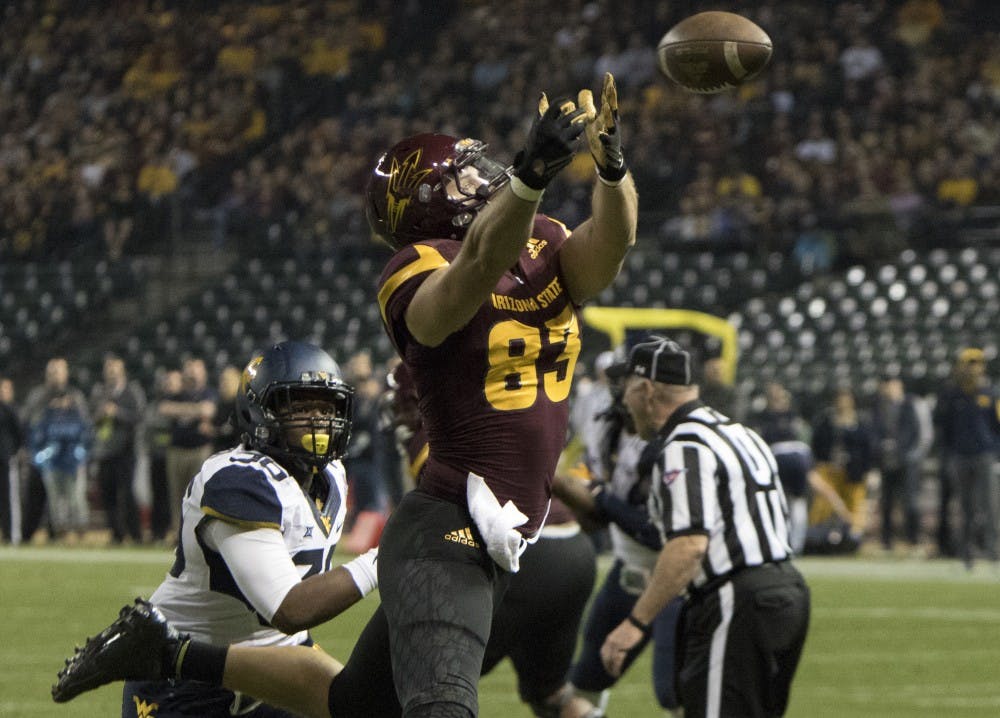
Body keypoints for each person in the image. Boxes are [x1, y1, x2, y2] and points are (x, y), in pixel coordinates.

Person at [55, 73, 637, 718]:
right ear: (425, 204)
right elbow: (469, 277)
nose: (484, 177)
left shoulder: (540, 237)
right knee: (442, 708)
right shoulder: (414, 264)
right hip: (451, 527)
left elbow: (608, 252)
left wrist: (610, 167)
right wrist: (529, 179)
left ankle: (166, 655)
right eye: (462, 175)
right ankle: (171, 667)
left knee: (356, 704)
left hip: (501, 530)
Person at [62, 340, 378, 717]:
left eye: (326, 407)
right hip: (187, 677)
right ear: (262, 412)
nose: (317, 419)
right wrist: (384, 559)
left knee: (365, 707)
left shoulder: (333, 476)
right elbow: (289, 608)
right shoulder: (238, 479)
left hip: (279, 662)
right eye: (300, 406)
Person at [598, 336, 810, 718]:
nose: (623, 402)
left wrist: (634, 623)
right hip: (788, 590)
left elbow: (691, 544)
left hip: (736, 598)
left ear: (647, 391)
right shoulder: (742, 433)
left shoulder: (683, 445)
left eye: (628, 389)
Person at [391, 361, 600, 718]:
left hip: (525, 554)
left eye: (402, 405)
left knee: (423, 686)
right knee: (550, 694)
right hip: (573, 552)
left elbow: (451, 513)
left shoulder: (438, 432)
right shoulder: (493, 407)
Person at [554, 358, 683, 716]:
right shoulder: (610, 430)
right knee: (583, 685)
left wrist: (600, 497)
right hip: (627, 573)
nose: (617, 393)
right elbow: (598, 520)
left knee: (675, 695)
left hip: (677, 582)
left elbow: (658, 533)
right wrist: (564, 488)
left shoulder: (672, 444)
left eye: (624, 383)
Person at [751, 381, 855, 555]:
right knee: (793, 504)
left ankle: (779, 544)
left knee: (780, 503)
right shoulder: (768, 420)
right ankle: (792, 546)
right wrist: (842, 510)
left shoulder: (791, 417)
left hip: (781, 456)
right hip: (788, 455)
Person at [933, 348, 1000, 568]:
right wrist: (948, 454)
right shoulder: (951, 395)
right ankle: (966, 554)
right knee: (965, 508)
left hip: (985, 456)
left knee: (990, 506)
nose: (973, 368)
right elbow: (944, 428)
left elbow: (996, 426)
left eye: (977, 363)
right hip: (960, 457)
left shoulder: (991, 394)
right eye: (969, 363)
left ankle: (993, 552)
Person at [23, 357, 92, 542]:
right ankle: (50, 533)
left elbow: (85, 423)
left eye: (58, 371)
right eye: (51, 371)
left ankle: (79, 534)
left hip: (71, 456)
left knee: (75, 498)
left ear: (66, 373)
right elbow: (29, 421)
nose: (54, 375)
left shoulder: (75, 396)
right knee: (50, 499)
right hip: (48, 456)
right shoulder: (38, 396)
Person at [89, 354, 147, 545]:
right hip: (104, 451)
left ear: (122, 371)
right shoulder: (99, 393)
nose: (111, 373)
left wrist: (117, 413)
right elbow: (91, 419)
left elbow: (139, 418)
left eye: (115, 369)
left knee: (128, 493)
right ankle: (116, 534)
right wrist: (100, 413)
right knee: (108, 494)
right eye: (108, 369)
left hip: (126, 451)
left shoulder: (132, 392)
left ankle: (136, 534)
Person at [871, 376, 933, 553]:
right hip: (887, 461)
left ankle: (913, 540)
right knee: (887, 503)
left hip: (907, 461)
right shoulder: (881, 407)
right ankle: (886, 542)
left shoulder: (912, 404)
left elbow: (922, 434)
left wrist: (913, 456)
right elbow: (874, 432)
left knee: (911, 502)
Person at [157, 357, 217, 536]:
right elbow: (165, 408)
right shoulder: (177, 392)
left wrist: (181, 410)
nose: (191, 373)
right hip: (177, 450)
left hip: (199, 450)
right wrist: (195, 410)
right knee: (177, 496)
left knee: (198, 494)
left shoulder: (208, 392)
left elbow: (208, 410)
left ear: (203, 372)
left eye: (195, 369)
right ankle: (178, 533)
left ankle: (198, 533)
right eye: (188, 369)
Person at [0, 377, 24, 543]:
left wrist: (14, 453)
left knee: (9, 497)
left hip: (6, 458)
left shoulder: (12, 410)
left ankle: (12, 535)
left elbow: (20, 434)